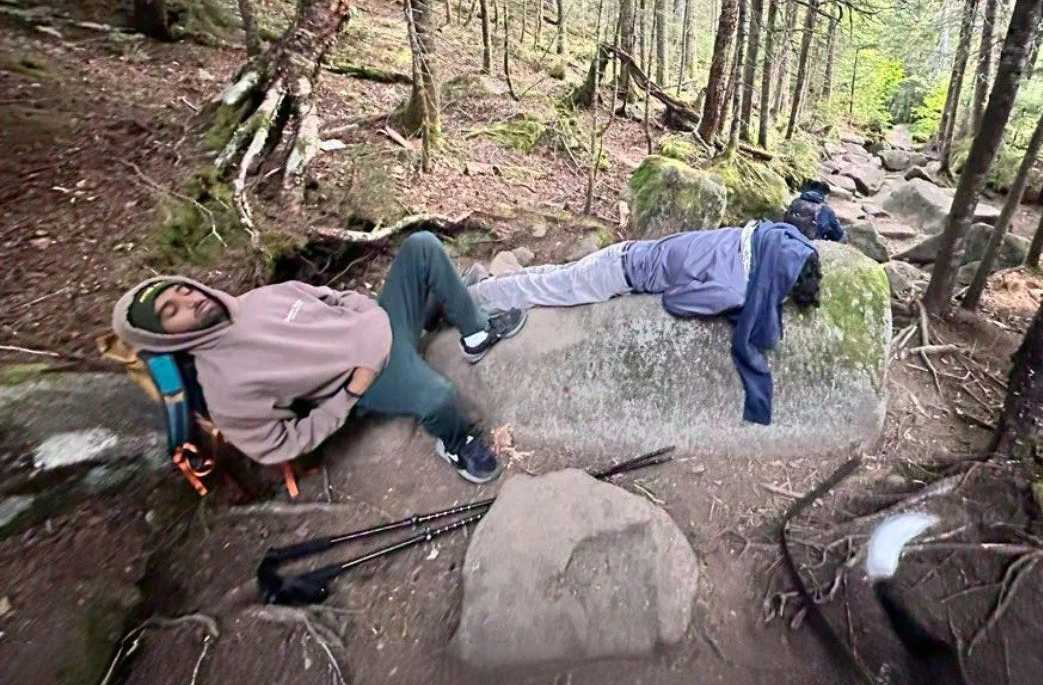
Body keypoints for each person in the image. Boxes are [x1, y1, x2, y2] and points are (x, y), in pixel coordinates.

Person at [113, 232, 525, 485]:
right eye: (172, 312)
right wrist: (350, 393)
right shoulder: (222, 384)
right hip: (372, 374)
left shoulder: (256, 300)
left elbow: (330, 296)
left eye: (182, 291)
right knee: (438, 397)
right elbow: (276, 446)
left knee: (422, 246)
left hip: (379, 324)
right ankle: (457, 443)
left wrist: (365, 312)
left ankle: (474, 331)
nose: (191, 301)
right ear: (163, 338)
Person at [473, 220, 820, 425]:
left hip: (630, 251)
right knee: (549, 288)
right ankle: (472, 297)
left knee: (557, 278)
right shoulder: (734, 287)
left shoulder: (755, 238)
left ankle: (485, 284)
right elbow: (675, 301)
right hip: (620, 274)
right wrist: (732, 306)